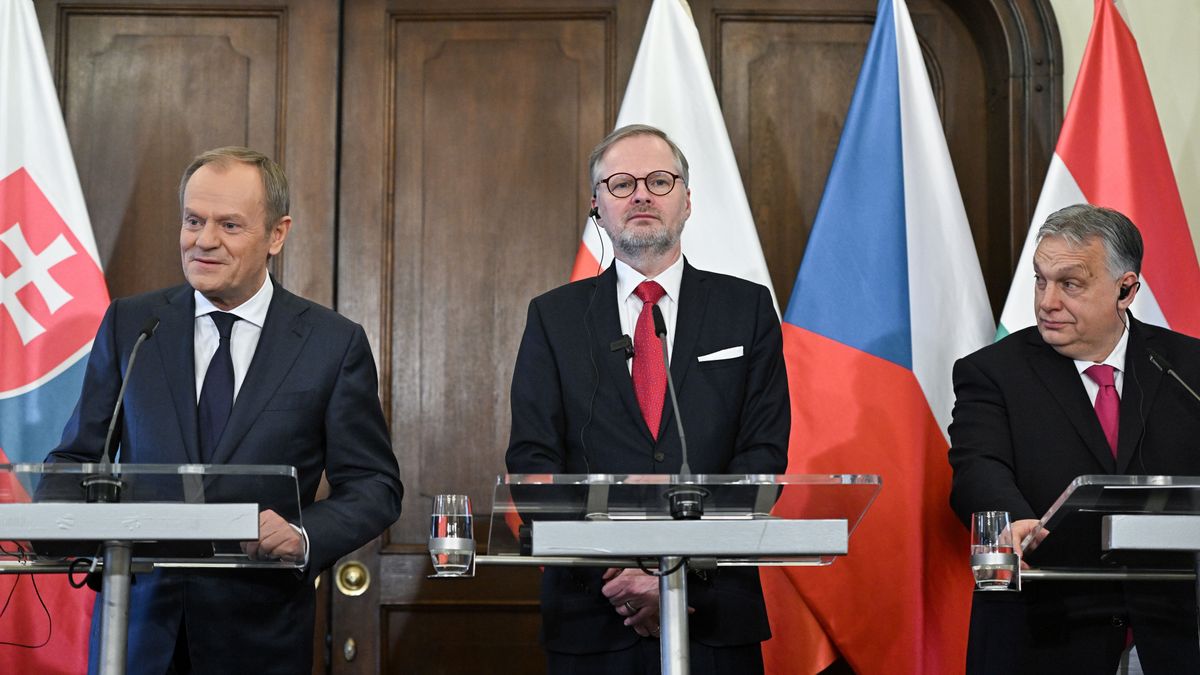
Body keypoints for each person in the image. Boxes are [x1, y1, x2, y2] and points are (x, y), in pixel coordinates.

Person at [46, 147, 403, 674]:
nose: (203, 240)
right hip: (139, 628)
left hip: (258, 635)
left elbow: (374, 485)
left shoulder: (332, 343)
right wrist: (50, 519)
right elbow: (75, 460)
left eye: (229, 225)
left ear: (276, 235)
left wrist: (303, 535)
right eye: (194, 221)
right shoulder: (132, 324)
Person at [505, 124, 790, 674]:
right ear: (597, 207)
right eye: (620, 184)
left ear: (687, 202)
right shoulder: (554, 317)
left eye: (659, 181)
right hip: (593, 616)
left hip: (715, 616)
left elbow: (761, 459)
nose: (640, 194)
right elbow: (533, 463)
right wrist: (622, 576)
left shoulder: (747, 310)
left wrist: (677, 572)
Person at [948, 204, 1200, 674]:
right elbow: (977, 467)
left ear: (1126, 289)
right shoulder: (993, 372)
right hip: (1045, 629)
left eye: (1070, 284)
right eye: (1041, 280)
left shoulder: (1188, 369)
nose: (1047, 301)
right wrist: (1010, 520)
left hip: (1172, 630)